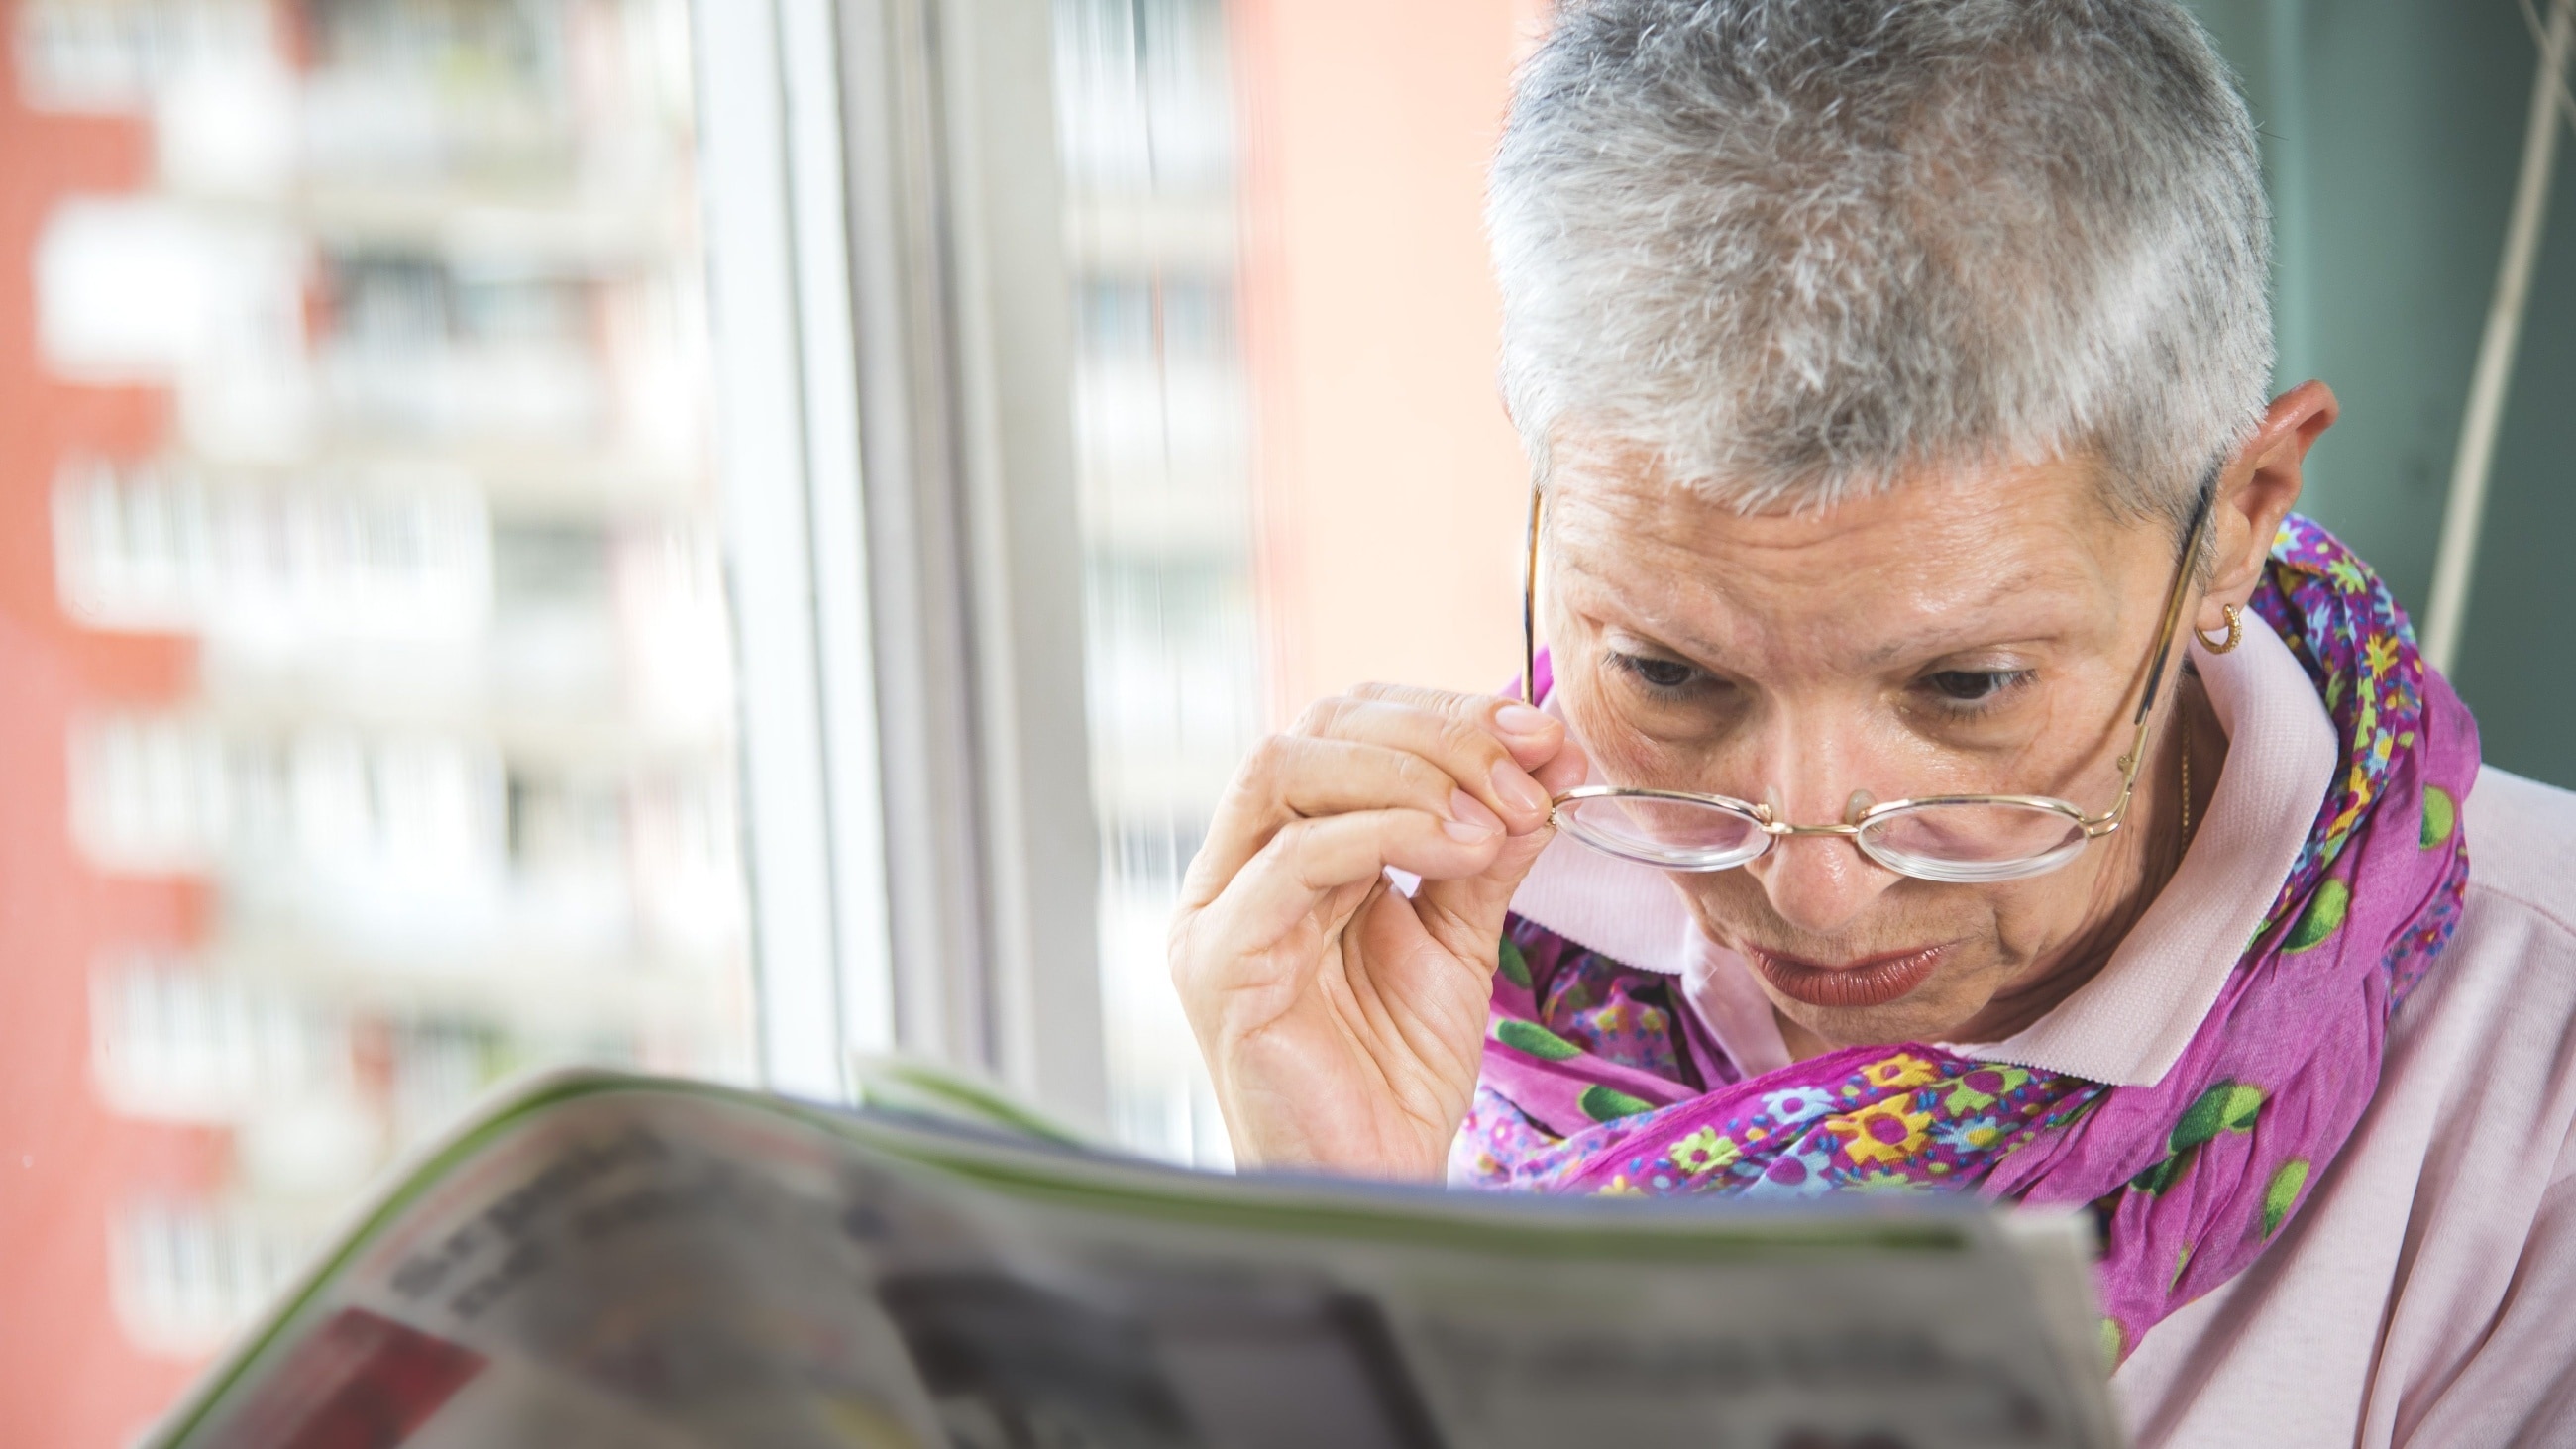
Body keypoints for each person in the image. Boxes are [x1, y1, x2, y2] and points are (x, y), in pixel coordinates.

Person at [1169, 2, 2576, 1444]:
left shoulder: (2540, 1084)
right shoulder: (1441, 974)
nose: (1811, 890)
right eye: (1670, 674)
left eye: (1965, 688)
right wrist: (1347, 1257)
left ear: (2237, 525)